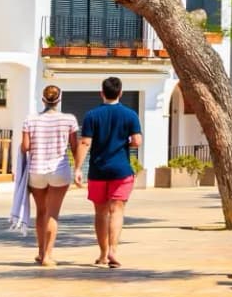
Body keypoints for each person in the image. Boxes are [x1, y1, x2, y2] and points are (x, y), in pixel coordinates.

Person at [77, 76, 143, 268]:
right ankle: (114, 250)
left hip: (98, 171)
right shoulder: (130, 115)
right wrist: (124, 142)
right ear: (120, 93)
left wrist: (78, 168)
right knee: (117, 211)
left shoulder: (92, 115)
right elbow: (137, 141)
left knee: (100, 213)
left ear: (102, 93)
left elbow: (85, 142)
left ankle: (103, 254)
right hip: (121, 170)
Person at [19, 85, 82, 266]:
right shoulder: (69, 119)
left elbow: (25, 147)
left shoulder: (30, 120)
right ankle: (48, 255)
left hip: (36, 170)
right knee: (53, 213)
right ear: (59, 99)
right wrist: (78, 168)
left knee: (41, 212)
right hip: (59, 171)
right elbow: (74, 145)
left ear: (43, 99)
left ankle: (40, 252)